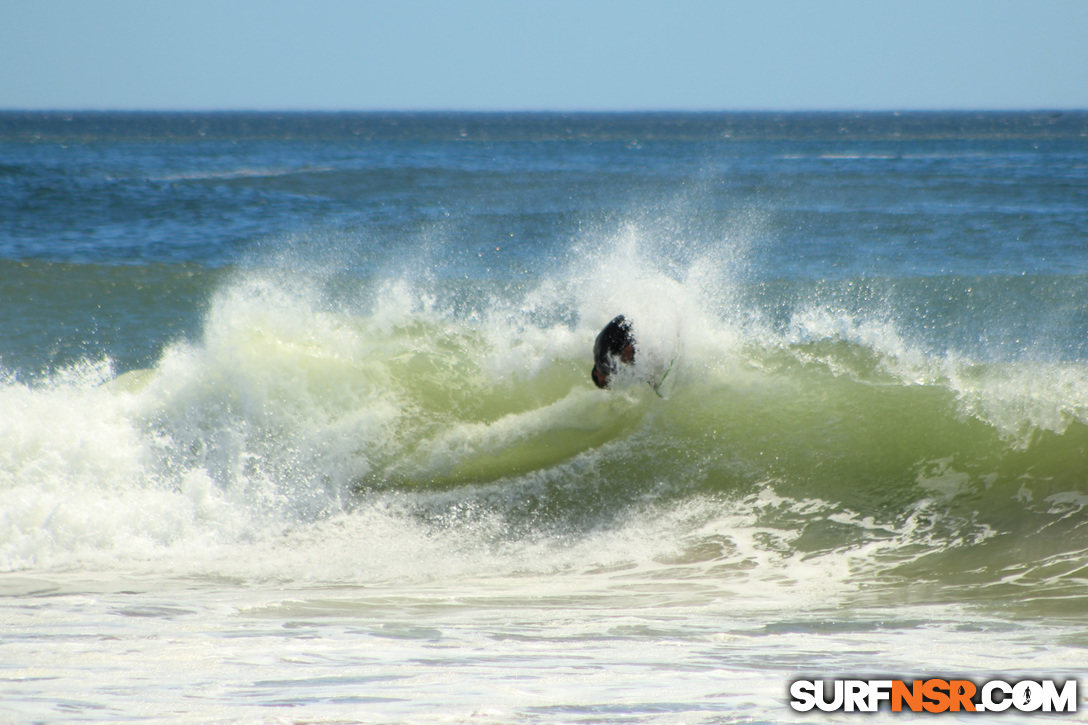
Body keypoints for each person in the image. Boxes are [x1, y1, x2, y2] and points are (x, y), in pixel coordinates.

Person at [591, 314, 636, 389]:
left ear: (596, 373)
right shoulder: (603, 356)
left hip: (624, 324)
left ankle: (651, 374)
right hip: (625, 322)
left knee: (626, 357)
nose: (607, 382)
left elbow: (617, 371)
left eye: (603, 382)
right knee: (626, 358)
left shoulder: (601, 366)